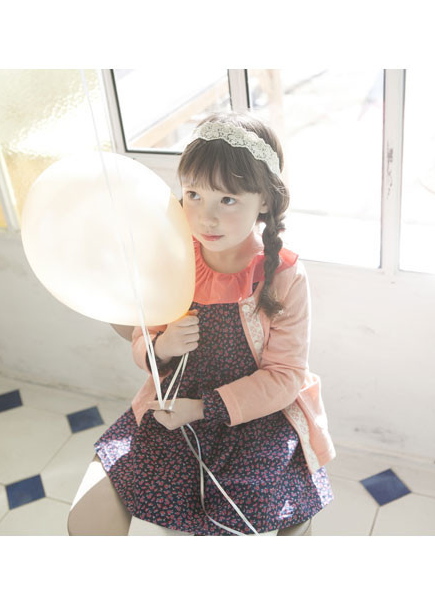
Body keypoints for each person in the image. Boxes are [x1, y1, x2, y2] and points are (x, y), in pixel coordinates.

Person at [67, 111, 336, 536]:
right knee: (90, 519)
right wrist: (162, 346)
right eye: (194, 194)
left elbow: (285, 376)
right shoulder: (172, 255)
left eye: (227, 200)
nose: (206, 217)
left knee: (238, 515)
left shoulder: (284, 276)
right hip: (173, 407)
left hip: (255, 419)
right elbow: (141, 336)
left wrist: (203, 409)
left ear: (264, 201)